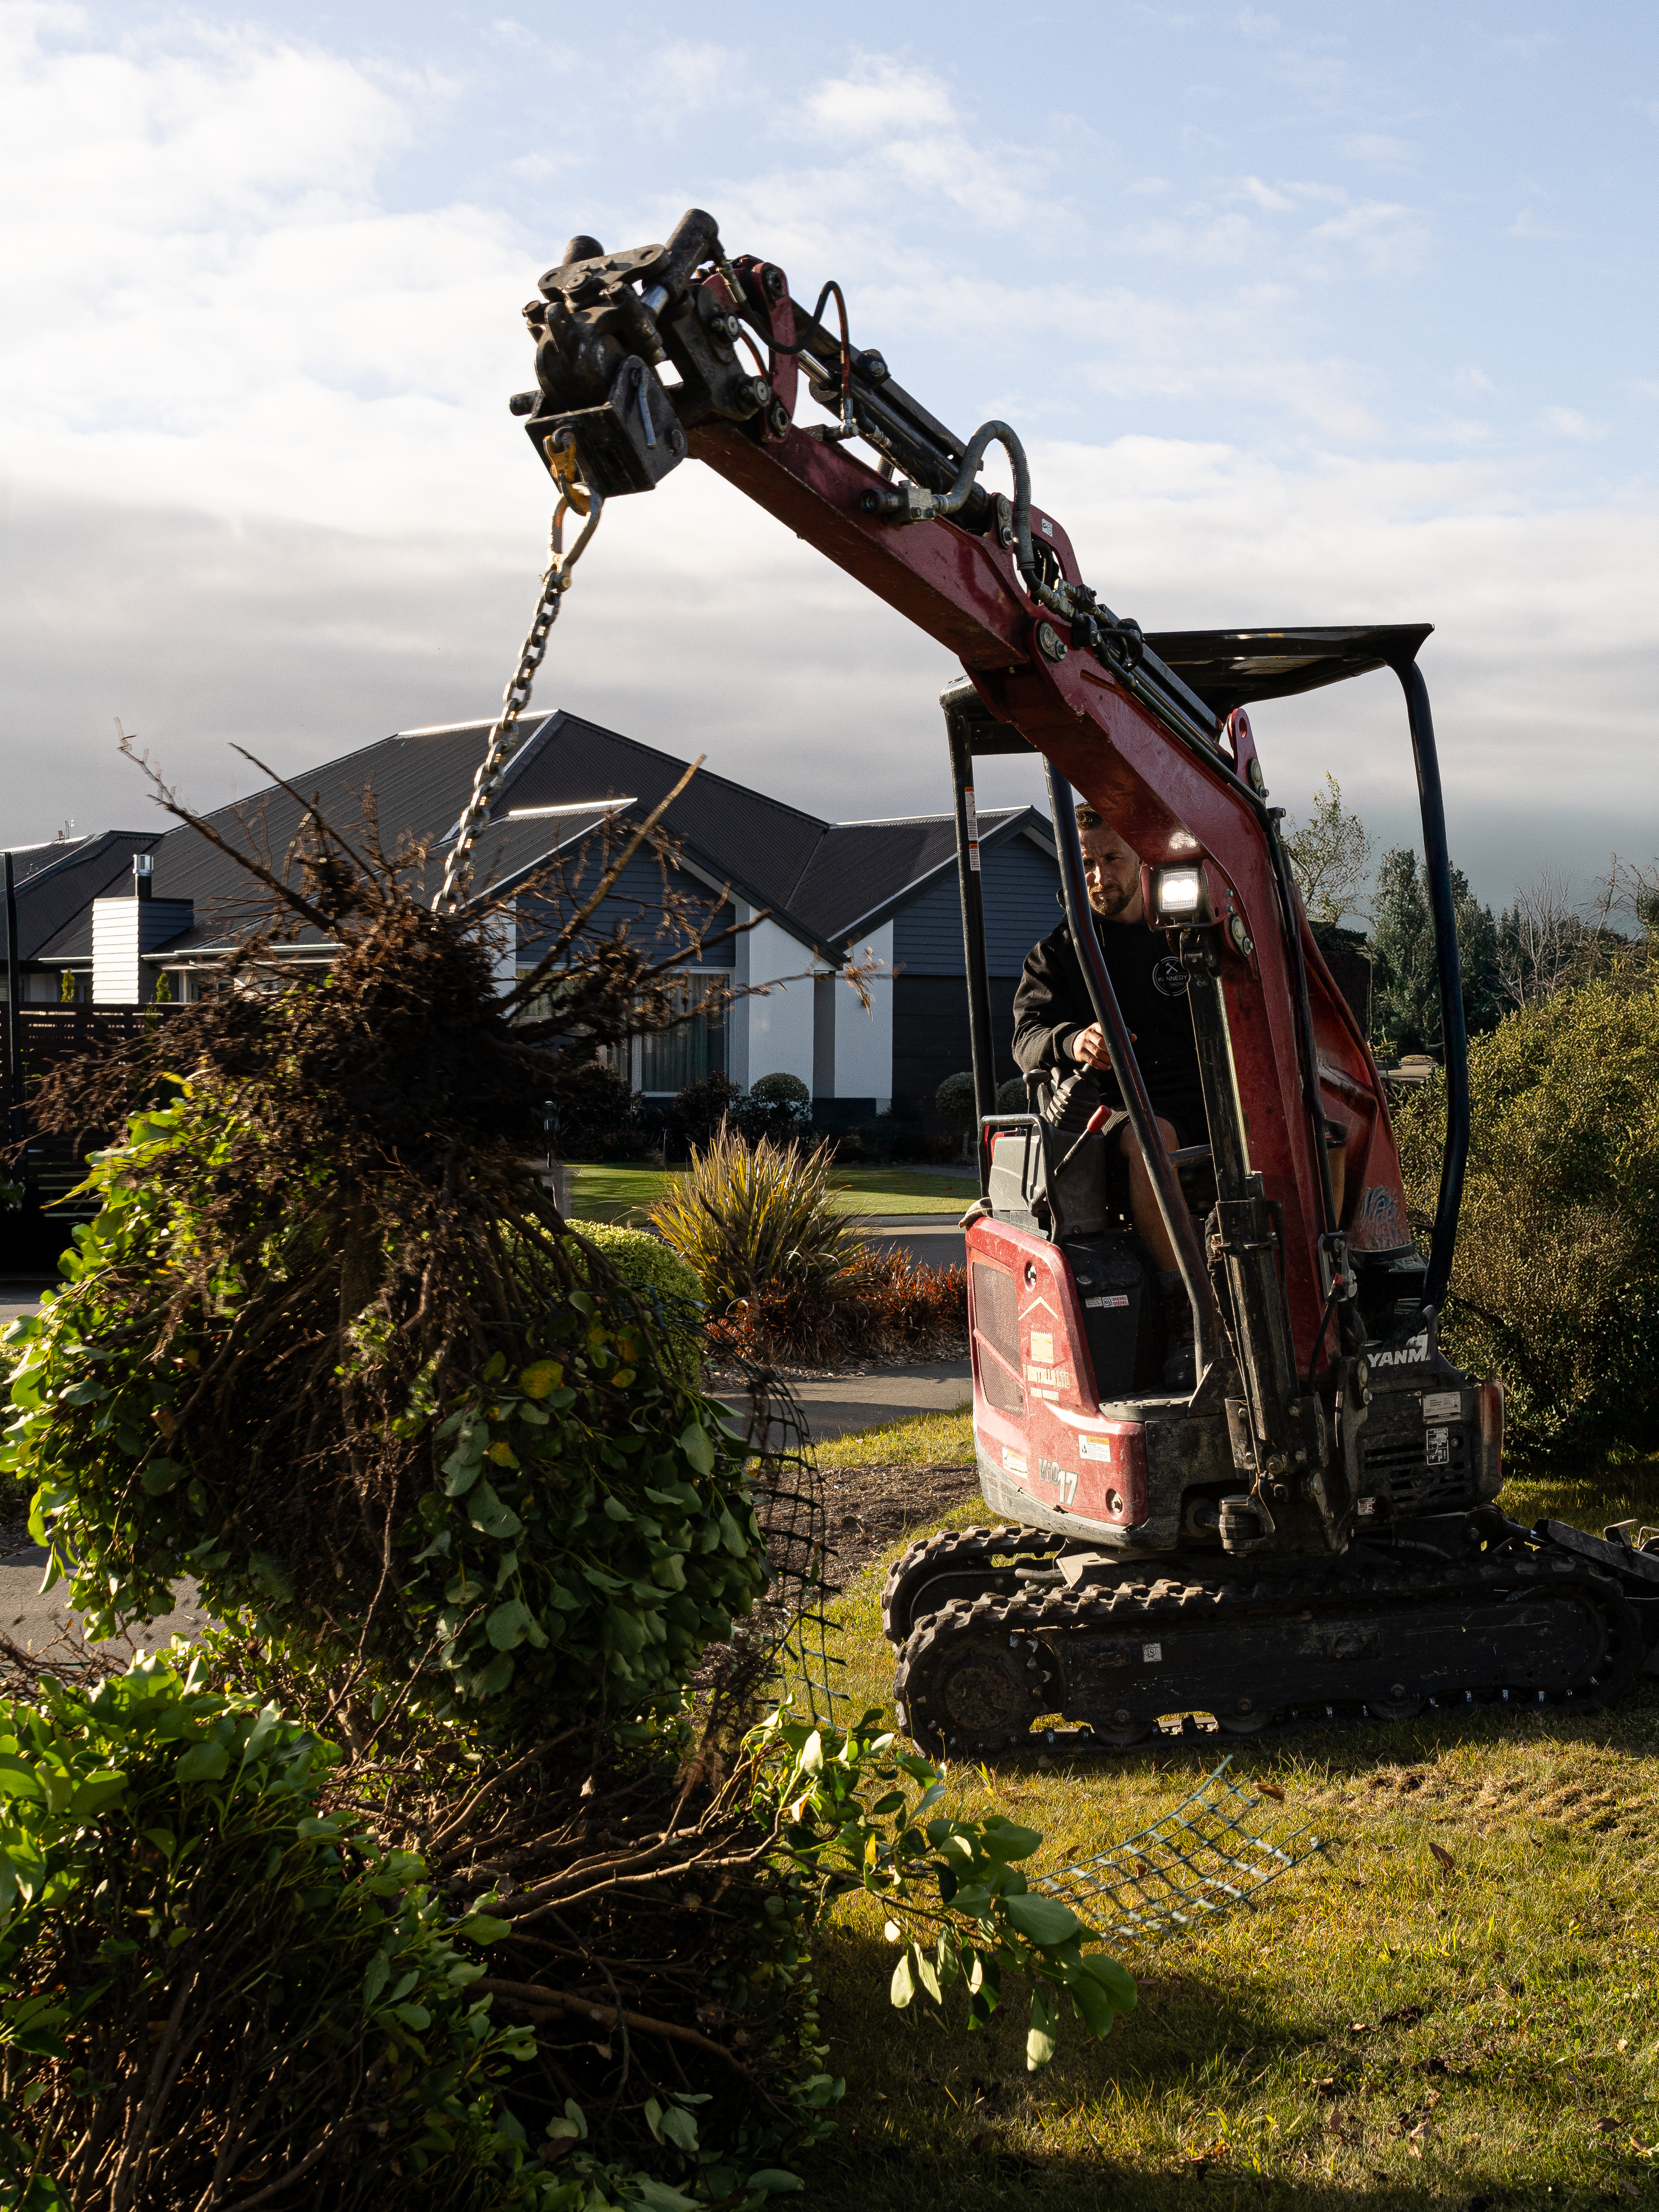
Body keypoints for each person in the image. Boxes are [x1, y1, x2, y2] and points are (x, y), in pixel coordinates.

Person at [1012, 804, 1205, 1386]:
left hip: (1212, 1097)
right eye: (1085, 865)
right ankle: (1187, 1314)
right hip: (1122, 1106)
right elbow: (1027, 1039)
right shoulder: (1059, 954)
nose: (1098, 877)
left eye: (1111, 860)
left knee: (1321, 1131)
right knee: (1156, 1141)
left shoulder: (1190, 936)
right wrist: (1075, 1040)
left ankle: (1329, 1287)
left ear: (1143, 860)